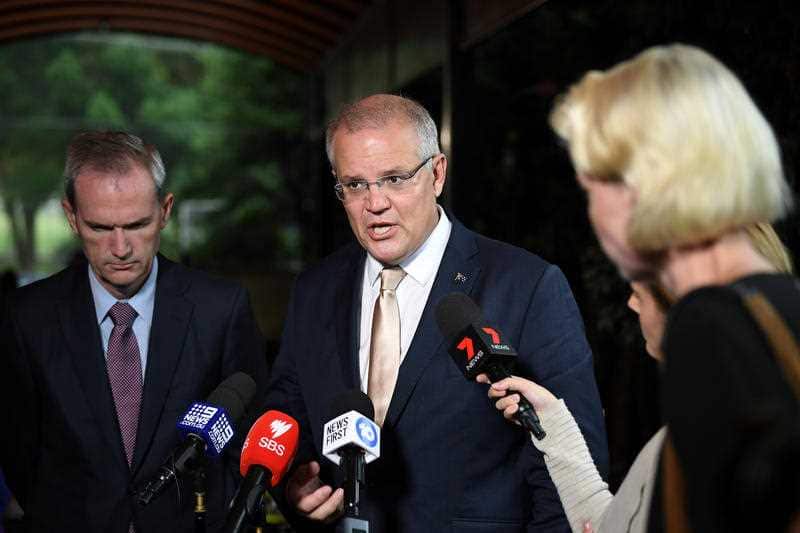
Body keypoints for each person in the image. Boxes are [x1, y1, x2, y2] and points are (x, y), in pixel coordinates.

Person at [263, 93, 609, 532]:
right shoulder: (316, 289)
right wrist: (294, 486)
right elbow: (284, 410)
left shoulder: (527, 287)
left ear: (437, 174)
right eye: (355, 185)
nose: (375, 204)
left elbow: (569, 466)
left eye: (394, 178)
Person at [541, 43, 799, 532]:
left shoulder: (713, 329)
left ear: (641, 188)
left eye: (591, 188)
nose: (593, 215)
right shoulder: (775, 309)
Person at [0, 131, 268, 532]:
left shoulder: (220, 310)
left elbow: (249, 436)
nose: (121, 247)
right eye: (100, 227)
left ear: (165, 210)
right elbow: (19, 450)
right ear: (71, 217)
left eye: (137, 224)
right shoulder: (27, 318)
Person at [483, 222, 794, 532]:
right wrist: (553, 422)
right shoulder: (702, 429)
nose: (631, 303)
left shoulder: (713, 449)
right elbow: (614, 526)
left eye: (639, 293)